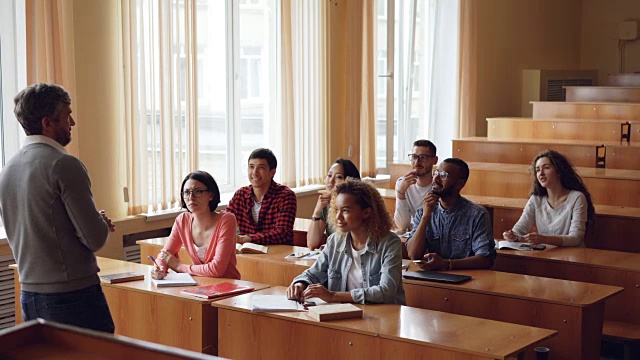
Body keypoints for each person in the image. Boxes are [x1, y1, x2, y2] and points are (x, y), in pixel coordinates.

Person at [0, 83, 115, 333]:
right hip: (72, 296)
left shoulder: (8, 168)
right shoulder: (64, 165)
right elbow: (94, 238)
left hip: (30, 295)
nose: (72, 122)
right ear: (47, 123)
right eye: (66, 115)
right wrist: (100, 223)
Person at [288, 179, 406, 305]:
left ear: (366, 212)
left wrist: (333, 296)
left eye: (345, 211)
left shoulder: (390, 243)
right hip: (345, 314)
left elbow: (386, 291)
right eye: (337, 210)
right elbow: (313, 274)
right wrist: (299, 284)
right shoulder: (335, 241)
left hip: (383, 316)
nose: (338, 217)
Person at [406, 158, 495, 270]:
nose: (436, 178)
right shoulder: (424, 211)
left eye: (443, 175)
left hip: (468, 278)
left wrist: (447, 264)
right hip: (433, 276)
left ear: (459, 184)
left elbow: (485, 259)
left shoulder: (477, 214)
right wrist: (425, 217)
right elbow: (413, 255)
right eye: (436, 173)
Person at [151, 171, 240, 280]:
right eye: (187, 192)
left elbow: (217, 269)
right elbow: (165, 254)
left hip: (228, 286)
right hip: (200, 285)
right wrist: (159, 269)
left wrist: (179, 267)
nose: (191, 197)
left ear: (211, 195)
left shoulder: (226, 220)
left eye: (198, 192)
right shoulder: (182, 220)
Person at [503, 150, 595, 247]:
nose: (541, 173)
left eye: (546, 168)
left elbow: (576, 238)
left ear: (559, 172)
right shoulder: (535, 199)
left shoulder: (577, 197)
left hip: (571, 256)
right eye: (537, 170)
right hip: (546, 254)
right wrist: (513, 235)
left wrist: (545, 239)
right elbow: (520, 229)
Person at [226, 148, 297, 245]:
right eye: (251, 167)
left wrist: (249, 239)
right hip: (247, 252)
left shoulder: (285, 196)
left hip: (277, 253)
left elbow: (283, 233)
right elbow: (225, 221)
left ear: (272, 172)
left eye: (261, 167)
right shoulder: (240, 194)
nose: (254, 172)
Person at [307, 158, 361, 250]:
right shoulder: (327, 205)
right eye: (329, 175)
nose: (331, 181)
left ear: (350, 180)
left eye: (338, 177)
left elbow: (357, 241)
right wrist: (317, 212)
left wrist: (330, 247)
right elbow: (312, 244)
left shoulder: (357, 205)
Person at [395, 140, 438, 232]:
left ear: (435, 160)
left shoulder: (440, 185)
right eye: (414, 157)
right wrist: (400, 193)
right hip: (413, 235)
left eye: (423, 157)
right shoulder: (402, 183)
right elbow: (402, 226)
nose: (417, 162)